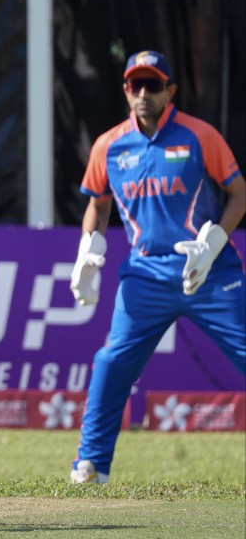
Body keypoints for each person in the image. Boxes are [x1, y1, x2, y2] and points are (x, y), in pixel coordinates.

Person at [68, 49, 246, 483]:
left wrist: (214, 242)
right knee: (112, 362)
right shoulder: (109, 145)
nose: (143, 94)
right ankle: (91, 465)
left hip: (210, 272)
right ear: (126, 90)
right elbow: (98, 205)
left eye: (152, 85)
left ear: (170, 90)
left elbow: (239, 193)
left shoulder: (199, 135)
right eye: (136, 85)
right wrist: (87, 252)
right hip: (146, 275)